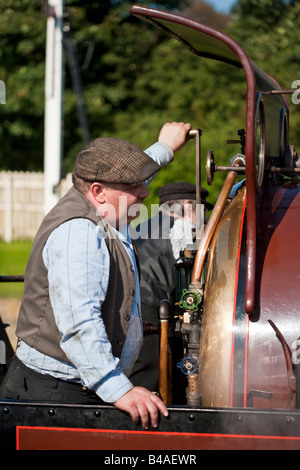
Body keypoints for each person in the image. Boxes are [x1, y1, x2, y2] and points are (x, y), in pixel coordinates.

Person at [0, 121, 192, 430]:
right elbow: (80, 323)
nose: (145, 192)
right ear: (98, 192)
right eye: (134, 188)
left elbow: (130, 173)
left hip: (80, 387)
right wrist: (118, 389)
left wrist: (166, 147)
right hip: (55, 397)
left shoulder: (105, 201)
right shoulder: (78, 233)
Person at [129, 182, 213, 392]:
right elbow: (189, 277)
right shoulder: (183, 227)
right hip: (156, 313)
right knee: (157, 383)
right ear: (187, 205)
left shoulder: (140, 226)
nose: (204, 219)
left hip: (130, 308)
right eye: (202, 211)